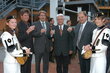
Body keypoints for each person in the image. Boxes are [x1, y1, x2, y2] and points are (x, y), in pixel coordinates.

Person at [17, 8, 35, 73]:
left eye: (28, 15)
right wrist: (28, 31)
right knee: (23, 68)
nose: (27, 17)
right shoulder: (18, 25)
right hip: (23, 50)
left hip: (30, 49)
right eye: (25, 15)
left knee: (28, 68)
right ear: (21, 16)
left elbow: (31, 36)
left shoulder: (29, 24)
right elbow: (19, 38)